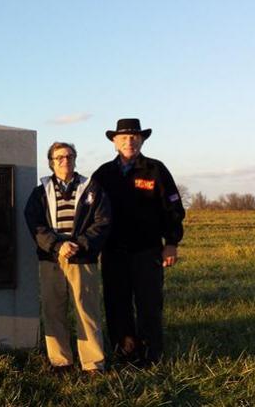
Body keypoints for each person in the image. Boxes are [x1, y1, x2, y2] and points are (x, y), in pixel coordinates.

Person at [92, 118, 185, 366]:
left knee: (149, 304)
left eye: (134, 137)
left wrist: (172, 242)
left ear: (142, 140)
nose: (129, 141)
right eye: (123, 138)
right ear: (114, 142)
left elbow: (173, 209)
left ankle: (151, 355)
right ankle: (124, 352)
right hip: (113, 252)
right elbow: (89, 213)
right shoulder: (103, 174)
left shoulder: (156, 170)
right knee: (116, 303)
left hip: (148, 250)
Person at [24, 142, 111, 375]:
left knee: (87, 311)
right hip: (51, 260)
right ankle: (61, 361)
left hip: (83, 260)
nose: (65, 160)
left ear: (75, 158)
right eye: (59, 157)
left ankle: (93, 363)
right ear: (51, 162)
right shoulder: (40, 191)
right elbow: (34, 223)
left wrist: (79, 245)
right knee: (54, 310)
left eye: (70, 156)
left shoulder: (92, 188)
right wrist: (57, 245)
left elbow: (102, 222)